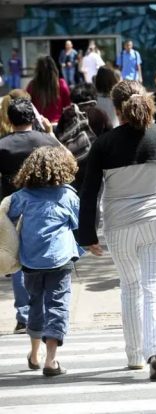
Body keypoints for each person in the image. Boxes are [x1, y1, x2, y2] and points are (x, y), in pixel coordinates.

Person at [78, 80, 156, 380]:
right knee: (155, 286)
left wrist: (87, 234)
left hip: (119, 226)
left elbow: (89, 192)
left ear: (116, 108)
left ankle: (135, 355)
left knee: (131, 287)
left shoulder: (104, 144)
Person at [6, 146, 81, 377]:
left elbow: (6, 218)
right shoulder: (68, 195)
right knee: (58, 305)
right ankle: (51, 360)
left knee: (35, 303)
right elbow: (77, 223)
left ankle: (34, 353)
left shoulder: (22, 196)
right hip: (60, 259)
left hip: (31, 261)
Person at [0, 98, 61, 336]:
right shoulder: (46, 142)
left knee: (17, 260)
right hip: (45, 207)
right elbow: (66, 159)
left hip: (13, 209)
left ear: (9, 119)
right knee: (45, 259)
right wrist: (51, 132)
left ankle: (24, 314)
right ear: (33, 119)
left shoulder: (3, 146)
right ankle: (43, 312)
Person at [55, 83, 113, 191]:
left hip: (73, 168)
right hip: (96, 167)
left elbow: (58, 138)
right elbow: (110, 140)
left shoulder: (66, 115)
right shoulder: (100, 113)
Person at [27, 56, 71, 124]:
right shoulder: (61, 84)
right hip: (58, 125)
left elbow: (27, 106)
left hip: (39, 126)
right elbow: (68, 107)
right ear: (54, 69)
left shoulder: (32, 86)